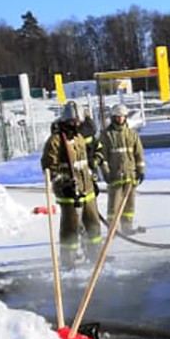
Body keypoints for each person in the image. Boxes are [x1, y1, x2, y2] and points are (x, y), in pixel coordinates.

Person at [40, 110, 102, 267]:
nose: (77, 125)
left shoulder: (79, 138)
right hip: (67, 190)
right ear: (66, 121)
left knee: (93, 224)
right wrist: (62, 183)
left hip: (86, 188)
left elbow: (84, 162)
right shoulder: (55, 141)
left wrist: (91, 180)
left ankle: (94, 255)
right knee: (71, 227)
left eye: (78, 121)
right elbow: (49, 167)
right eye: (74, 122)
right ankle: (68, 260)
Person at [101, 102, 146, 234]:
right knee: (114, 205)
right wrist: (106, 173)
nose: (120, 119)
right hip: (115, 175)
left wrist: (141, 171)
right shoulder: (107, 135)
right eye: (117, 116)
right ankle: (112, 230)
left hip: (130, 175)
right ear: (113, 117)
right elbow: (102, 157)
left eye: (122, 116)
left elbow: (139, 154)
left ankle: (127, 227)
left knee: (129, 205)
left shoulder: (132, 134)